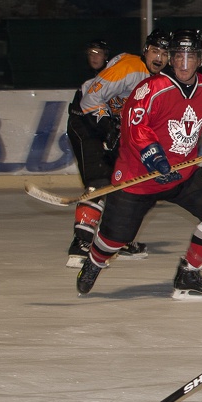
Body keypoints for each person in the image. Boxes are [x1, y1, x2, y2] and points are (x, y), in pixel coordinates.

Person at [75, 29, 202, 300]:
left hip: (184, 173)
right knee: (114, 240)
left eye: (190, 56)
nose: (184, 63)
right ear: (170, 58)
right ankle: (95, 262)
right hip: (139, 178)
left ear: (200, 59)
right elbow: (134, 126)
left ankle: (188, 275)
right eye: (178, 55)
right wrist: (152, 155)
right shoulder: (151, 89)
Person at [65, 31, 172, 267]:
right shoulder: (131, 67)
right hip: (83, 121)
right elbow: (89, 100)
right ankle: (81, 243)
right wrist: (107, 128)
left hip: (109, 123)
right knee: (101, 180)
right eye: (155, 51)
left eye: (165, 53)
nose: (159, 58)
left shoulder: (160, 81)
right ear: (146, 50)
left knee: (124, 182)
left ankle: (115, 239)